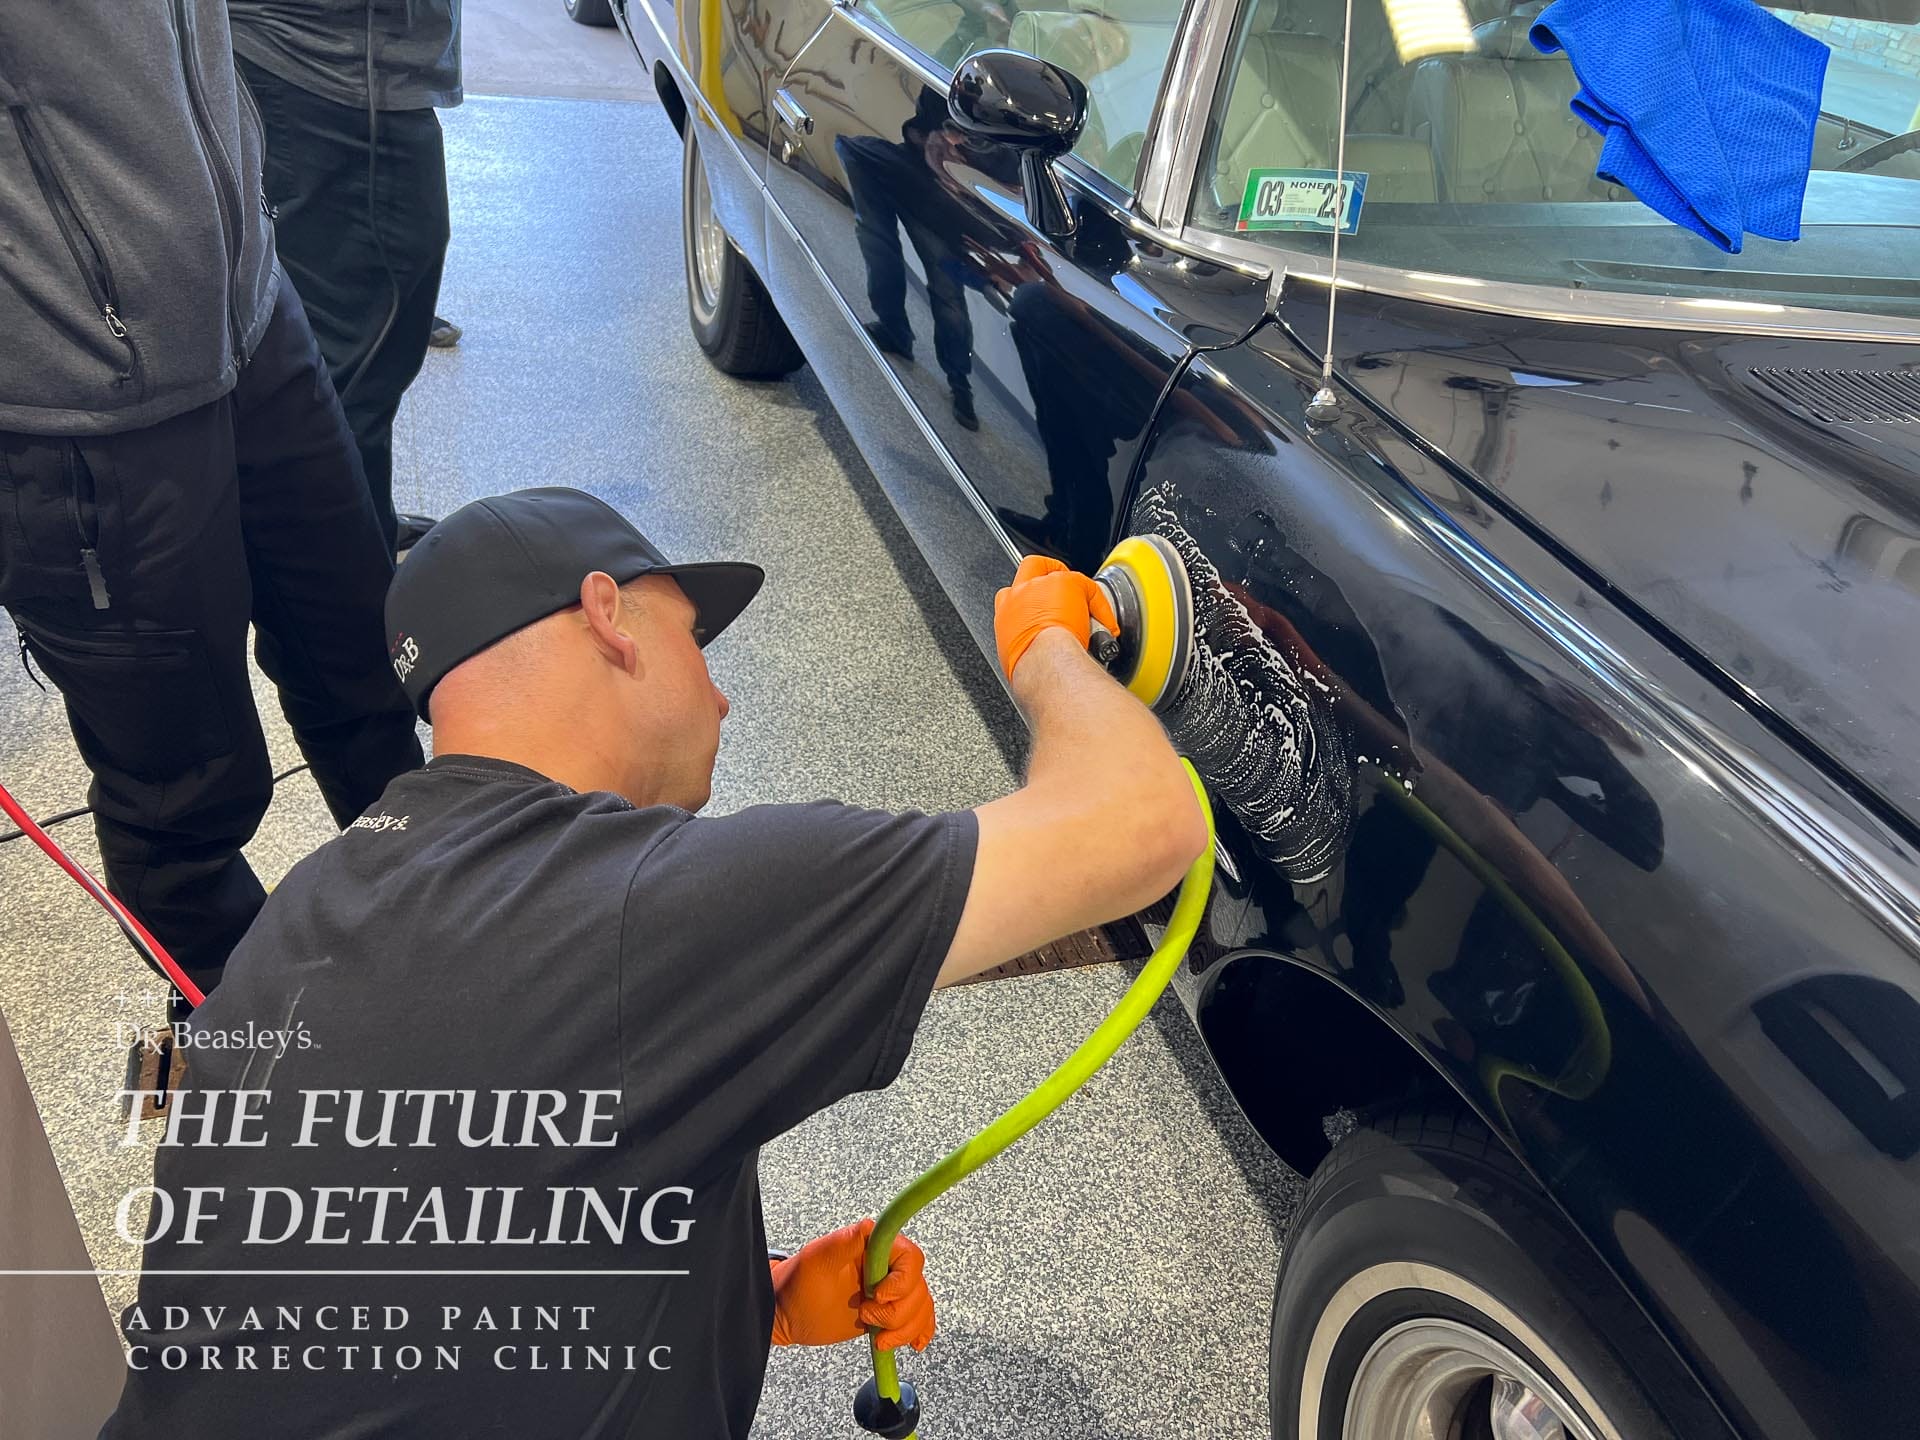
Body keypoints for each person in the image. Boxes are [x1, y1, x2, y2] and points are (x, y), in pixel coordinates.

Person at [101, 487, 1207, 1436]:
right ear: (607, 617)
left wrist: (756, 1306)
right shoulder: (649, 907)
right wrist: (1048, 648)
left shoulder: (311, 907)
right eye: (695, 642)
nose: (720, 694)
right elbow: (1143, 827)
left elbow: (441, 1247)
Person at [0, 2, 424, 1007]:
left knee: (364, 668)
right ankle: (250, 1063)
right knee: (182, 790)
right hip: (83, 403)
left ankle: (432, 957)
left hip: (252, 315)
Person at [229, 0, 462, 551]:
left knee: (351, 353)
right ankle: (339, 597)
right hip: (326, 69)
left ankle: (364, 517)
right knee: (348, 371)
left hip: (328, 63)